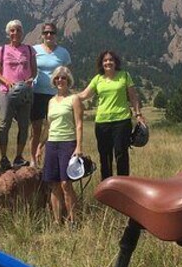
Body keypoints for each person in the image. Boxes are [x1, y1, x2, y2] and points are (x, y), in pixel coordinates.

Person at [78, 50, 145, 180]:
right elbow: (84, 95)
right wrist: (67, 98)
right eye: (105, 60)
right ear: (101, 63)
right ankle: (107, 187)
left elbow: (133, 96)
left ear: (115, 62)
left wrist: (138, 114)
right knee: (105, 155)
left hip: (122, 121)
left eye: (110, 60)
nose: (108, 62)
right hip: (102, 123)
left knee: (121, 154)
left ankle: (123, 185)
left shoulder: (124, 76)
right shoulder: (97, 79)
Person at [0, 19, 37, 170]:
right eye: (12, 30)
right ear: (8, 33)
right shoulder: (2, 50)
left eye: (18, 30)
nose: (15, 33)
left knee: (24, 125)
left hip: (25, 92)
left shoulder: (29, 50)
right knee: (5, 124)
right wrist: (6, 82)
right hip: (6, 92)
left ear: (22, 32)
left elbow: (34, 70)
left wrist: (30, 79)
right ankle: (3, 158)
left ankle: (18, 157)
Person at [40, 66, 83, 224]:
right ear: (54, 80)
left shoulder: (74, 99)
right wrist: (40, 146)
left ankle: (74, 220)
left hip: (67, 143)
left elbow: (79, 124)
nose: (60, 80)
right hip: (52, 143)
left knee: (66, 183)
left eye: (63, 78)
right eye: (57, 78)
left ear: (68, 80)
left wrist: (78, 147)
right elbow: (48, 125)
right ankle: (57, 221)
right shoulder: (51, 101)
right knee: (54, 184)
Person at [30, 22, 71, 167]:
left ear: (56, 35)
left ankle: (49, 158)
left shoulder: (63, 53)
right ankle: (33, 161)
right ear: (42, 34)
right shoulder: (34, 50)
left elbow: (66, 74)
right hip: (37, 93)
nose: (49, 35)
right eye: (46, 32)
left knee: (52, 129)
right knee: (36, 129)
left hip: (55, 96)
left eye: (52, 33)